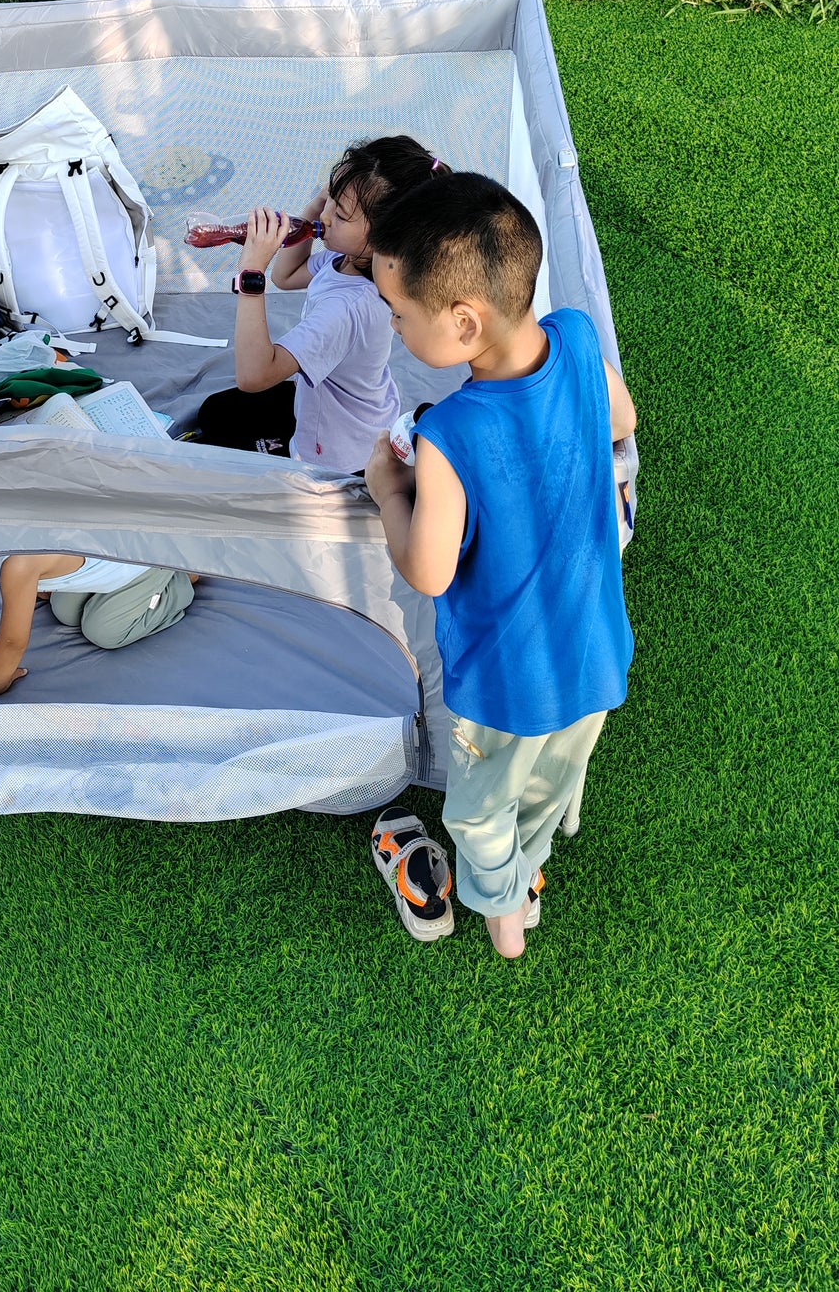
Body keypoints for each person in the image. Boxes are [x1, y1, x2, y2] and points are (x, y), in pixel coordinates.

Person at [361, 172, 637, 959]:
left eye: (398, 314)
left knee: (477, 812)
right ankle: (533, 861)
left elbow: (429, 570)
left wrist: (389, 490)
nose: (392, 330)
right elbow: (621, 418)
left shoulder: (447, 433)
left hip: (504, 688)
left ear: (461, 321)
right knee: (546, 784)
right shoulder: (579, 338)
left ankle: (503, 917)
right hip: (595, 658)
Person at [191, 136, 450, 471]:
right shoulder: (349, 259)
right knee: (216, 411)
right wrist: (314, 210)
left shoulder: (346, 310)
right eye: (329, 198)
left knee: (221, 447)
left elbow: (253, 375)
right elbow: (288, 275)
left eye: (339, 214)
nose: (326, 217)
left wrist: (252, 273)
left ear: (381, 238)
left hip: (333, 448)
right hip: (355, 408)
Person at [0, 555, 196, 697]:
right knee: (64, 609)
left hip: (148, 559)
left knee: (104, 631)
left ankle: (180, 578)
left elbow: (12, 642)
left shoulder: (18, 566)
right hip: (108, 557)